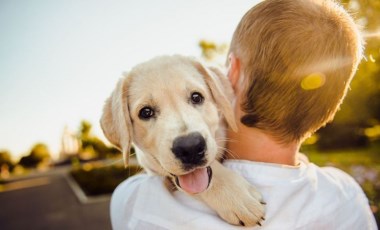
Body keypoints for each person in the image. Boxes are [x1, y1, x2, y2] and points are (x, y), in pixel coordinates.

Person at [110, 0, 377, 229]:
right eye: (147, 112)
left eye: (196, 97)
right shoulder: (346, 197)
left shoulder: (135, 203)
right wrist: (216, 182)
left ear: (232, 72)